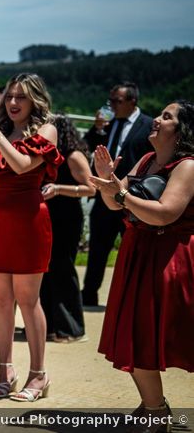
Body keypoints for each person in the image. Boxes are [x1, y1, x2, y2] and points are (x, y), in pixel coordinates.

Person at [89, 100, 194, 427]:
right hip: (137, 252)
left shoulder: (188, 166)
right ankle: (155, 409)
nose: (157, 120)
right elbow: (115, 203)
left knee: (167, 332)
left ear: (181, 130)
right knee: (135, 332)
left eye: (166, 117)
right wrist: (108, 181)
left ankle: (156, 412)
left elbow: (166, 212)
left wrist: (120, 193)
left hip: (169, 258)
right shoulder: (147, 159)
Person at [0, 72, 62, 402]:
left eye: (22, 97)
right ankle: (6, 371)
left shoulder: (47, 130)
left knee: (29, 302)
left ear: (35, 100)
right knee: (1, 302)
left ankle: (38, 375)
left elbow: (20, 165)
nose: (13, 102)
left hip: (29, 220)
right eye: (10, 96)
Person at [82, 82, 153, 306]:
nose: (111, 105)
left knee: (133, 249)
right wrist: (97, 129)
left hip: (132, 198)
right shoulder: (109, 123)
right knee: (97, 249)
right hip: (104, 197)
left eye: (117, 101)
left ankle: (132, 296)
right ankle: (89, 294)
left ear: (133, 101)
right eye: (110, 100)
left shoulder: (149, 125)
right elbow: (87, 147)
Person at [40, 114, 96, 343]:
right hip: (49, 215)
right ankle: (50, 326)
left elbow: (91, 188)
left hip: (66, 217)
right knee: (46, 272)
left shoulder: (72, 156)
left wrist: (59, 188)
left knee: (63, 270)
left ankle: (71, 327)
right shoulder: (47, 155)